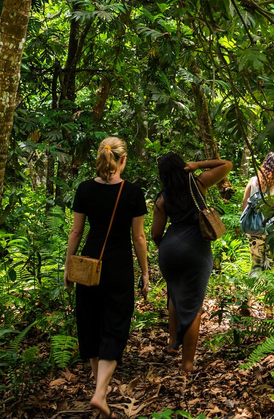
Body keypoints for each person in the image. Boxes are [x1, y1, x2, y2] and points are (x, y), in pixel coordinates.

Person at [64, 137, 149, 419]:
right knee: (115, 322)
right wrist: (146, 271)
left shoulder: (85, 189)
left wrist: (68, 265)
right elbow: (138, 237)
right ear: (123, 160)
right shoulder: (134, 192)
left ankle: (97, 383)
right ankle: (100, 392)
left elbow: (75, 232)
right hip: (119, 267)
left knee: (90, 320)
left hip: (89, 264)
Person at [151, 153, 232, 373]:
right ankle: (187, 364)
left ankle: (172, 345)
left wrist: (168, 248)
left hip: (170, 252)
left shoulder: (162, 199)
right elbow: (227, 164)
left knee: (175, 294)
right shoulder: (199, 183)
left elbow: (155, 234)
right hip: (197, 250)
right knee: (193, 306)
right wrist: (198, 165)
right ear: (183, 167)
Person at [241, 152, 274, 271]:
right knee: (272, 267)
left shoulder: (253, 181)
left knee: (256, 265)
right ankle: (268, 289)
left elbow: (245, 206)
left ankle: (254, 288)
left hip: (255, 230)